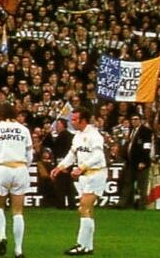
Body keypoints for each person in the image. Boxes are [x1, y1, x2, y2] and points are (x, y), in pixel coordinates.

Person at [51, 107, 107, 256]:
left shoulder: (94, 135)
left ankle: (81, 245)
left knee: (84, 208)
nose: (72, 122)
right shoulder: (77, 136)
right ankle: (88, 246)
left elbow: (98, 156)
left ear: (83, 120)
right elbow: (72, 154)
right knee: (86, 210)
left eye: (75, 119)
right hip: (85, 176)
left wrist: (81, 167)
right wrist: (60, 166)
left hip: (96, 174)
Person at [0, 102, 32, 258]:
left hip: (2, 168)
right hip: (20, 169)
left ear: (0, 114)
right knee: (18, 212)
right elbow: (30, 156)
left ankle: (2, 236)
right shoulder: (24, 130)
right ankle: (18, 249)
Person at [117, 115, 152, 209]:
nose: (133, 121)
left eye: (136, 119)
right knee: (127, 183)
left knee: (142, 185)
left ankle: (141, 205)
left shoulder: (146, 131)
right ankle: (123, 204)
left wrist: (143, 161)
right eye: (132, 119)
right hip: (131, 163)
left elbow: (147, 147)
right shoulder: (131, 131)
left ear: (140, 120)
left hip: (141, 163)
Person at [43, 119, 76, 209]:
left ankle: (64, 204)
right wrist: (48, 134)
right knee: (64, 185)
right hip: (62, 163)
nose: (56, 126)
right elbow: (51, 145)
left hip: (64, 163)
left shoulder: (67, 136)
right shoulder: (61, 136)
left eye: (58, 124)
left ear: (63, 125)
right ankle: (68, 204)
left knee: (64, 185)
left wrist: (66, 166)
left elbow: (67, 152)